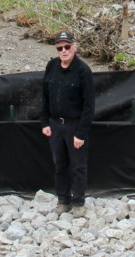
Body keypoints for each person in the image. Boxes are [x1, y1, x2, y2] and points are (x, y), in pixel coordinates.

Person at [40, 31, 95, 215]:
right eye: (60, 48)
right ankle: (63, 200)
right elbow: (45, 96)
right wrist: (44, 122)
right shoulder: (51, 66)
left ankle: (78, 202)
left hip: (75, 125)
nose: (63, 51)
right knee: (59, 165)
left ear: (74, 47)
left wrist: (81, 133)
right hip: (55, 125)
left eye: (67, 47)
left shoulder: (83, 71)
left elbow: (89, 105)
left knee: (78, 166)